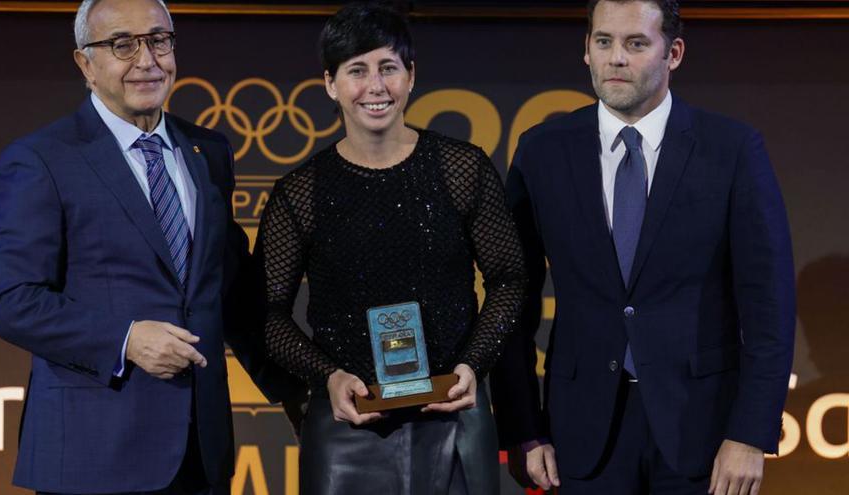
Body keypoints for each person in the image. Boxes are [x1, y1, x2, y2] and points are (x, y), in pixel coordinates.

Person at [0, 0, 294, 493]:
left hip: (200, 453)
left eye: (159, 39)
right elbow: (13, 301)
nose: (147, 60)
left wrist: (308, 398)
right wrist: (126, 339)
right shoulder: (42, 159)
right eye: (122, 44)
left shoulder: (208, 151)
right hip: (94, 456)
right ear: (84, 63)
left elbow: (230, 296)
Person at [489, 1, 795, 494]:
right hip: (582, 433)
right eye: (603, 42)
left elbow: (769, 307)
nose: (616, 59)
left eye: (635, 44)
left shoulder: (731, 150)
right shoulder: (542, 149)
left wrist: (750, 433)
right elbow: (513, 300)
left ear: (673, 53)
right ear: (586, 51)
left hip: (704, 433)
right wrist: (522, 429)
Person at [256, 3, 526, 494]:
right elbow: (267, 314)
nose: (375, 86)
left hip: (453, 410)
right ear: (331, 83)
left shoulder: (461, 169)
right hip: (347, 422)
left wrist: (473, 365)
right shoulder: (300, 192)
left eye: (388, 68)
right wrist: (327, 376)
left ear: (411, 75)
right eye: (356, 70)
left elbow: (509, 277)